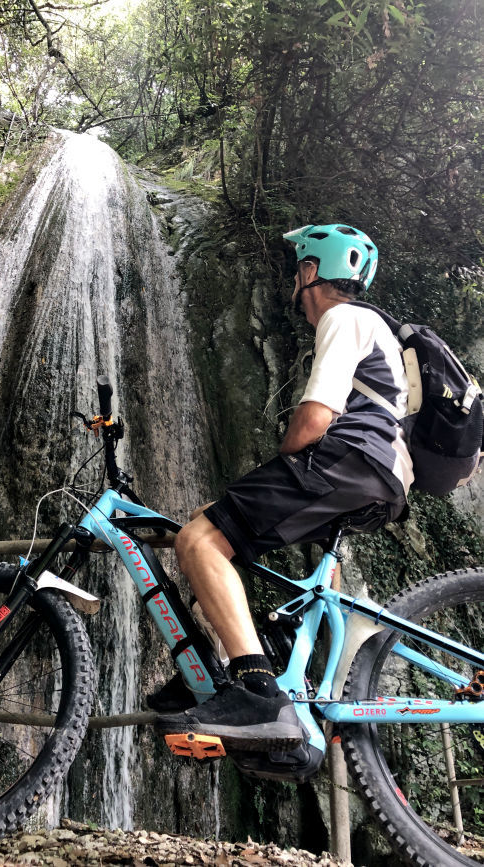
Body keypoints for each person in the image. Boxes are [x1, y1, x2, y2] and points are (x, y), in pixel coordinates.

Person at [153, 223, 412, 751]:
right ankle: (227, 667)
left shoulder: (344, 317)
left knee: (200, 540)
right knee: (222, 527)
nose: (295, 281)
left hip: (351, 459)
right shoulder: (376, 326)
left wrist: (286, 452)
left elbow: (314, 420)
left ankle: (258, 695)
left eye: (299, 269)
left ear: (312, 271)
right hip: (381, 477)